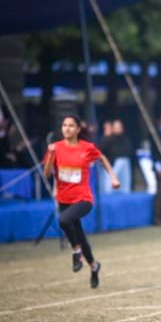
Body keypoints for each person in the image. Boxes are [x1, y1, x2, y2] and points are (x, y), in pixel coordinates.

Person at [43, 115, 120, 288]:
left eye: (71, 125)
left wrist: (113, 177)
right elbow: (47, 174)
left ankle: (75, 251)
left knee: (64, 220)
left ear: (78, 129)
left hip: (83, 199)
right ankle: (94, 266)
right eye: (64, 125)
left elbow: (102, 158)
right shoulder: (56, 148)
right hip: (64, 199)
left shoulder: (87, 148)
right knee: (80, 236)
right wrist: (51, 155)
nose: (67, 128)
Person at [99, 119, 133, 193]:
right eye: (116, 127)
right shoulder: (108, 138)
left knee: (125, 183)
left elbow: (129, 149)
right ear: (113, 128)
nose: (119, 129)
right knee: (110, 183)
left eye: (120, 127)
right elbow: (101, 149)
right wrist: (106, 137)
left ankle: (125, 195)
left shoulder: (125, 138)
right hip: (113, 163)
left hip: (125, 161)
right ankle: (108, 195)